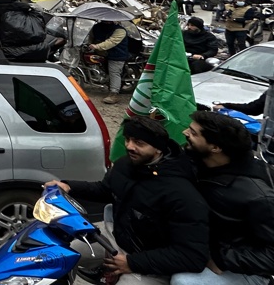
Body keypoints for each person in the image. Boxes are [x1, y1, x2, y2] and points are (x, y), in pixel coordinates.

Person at [47, 116, 210, 285]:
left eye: (139, 142)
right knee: (58, 257)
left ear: (158, 149)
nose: (129, 146)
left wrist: (132, 263)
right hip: (114, 242)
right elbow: (106, 190)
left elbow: (192, 256)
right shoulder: (126, 164)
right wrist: (68, 186)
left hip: (151, 264)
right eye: (128, 139)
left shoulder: (181, 193)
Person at [174, 111, 274, 285]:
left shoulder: (258, 195)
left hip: (241, 268)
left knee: (183, 281)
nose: (185, 133)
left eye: (193, 133)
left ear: (215, 148)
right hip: (200, 247)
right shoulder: (199, 161)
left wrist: (222, 259)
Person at [87, 20, 130, 104]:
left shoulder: (120, 30)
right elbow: (91, 37)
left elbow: (111, 42)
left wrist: (96, 46)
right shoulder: (96, 27)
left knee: (114, 72)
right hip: (102, 53)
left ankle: (114, 94)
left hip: (117, 54)